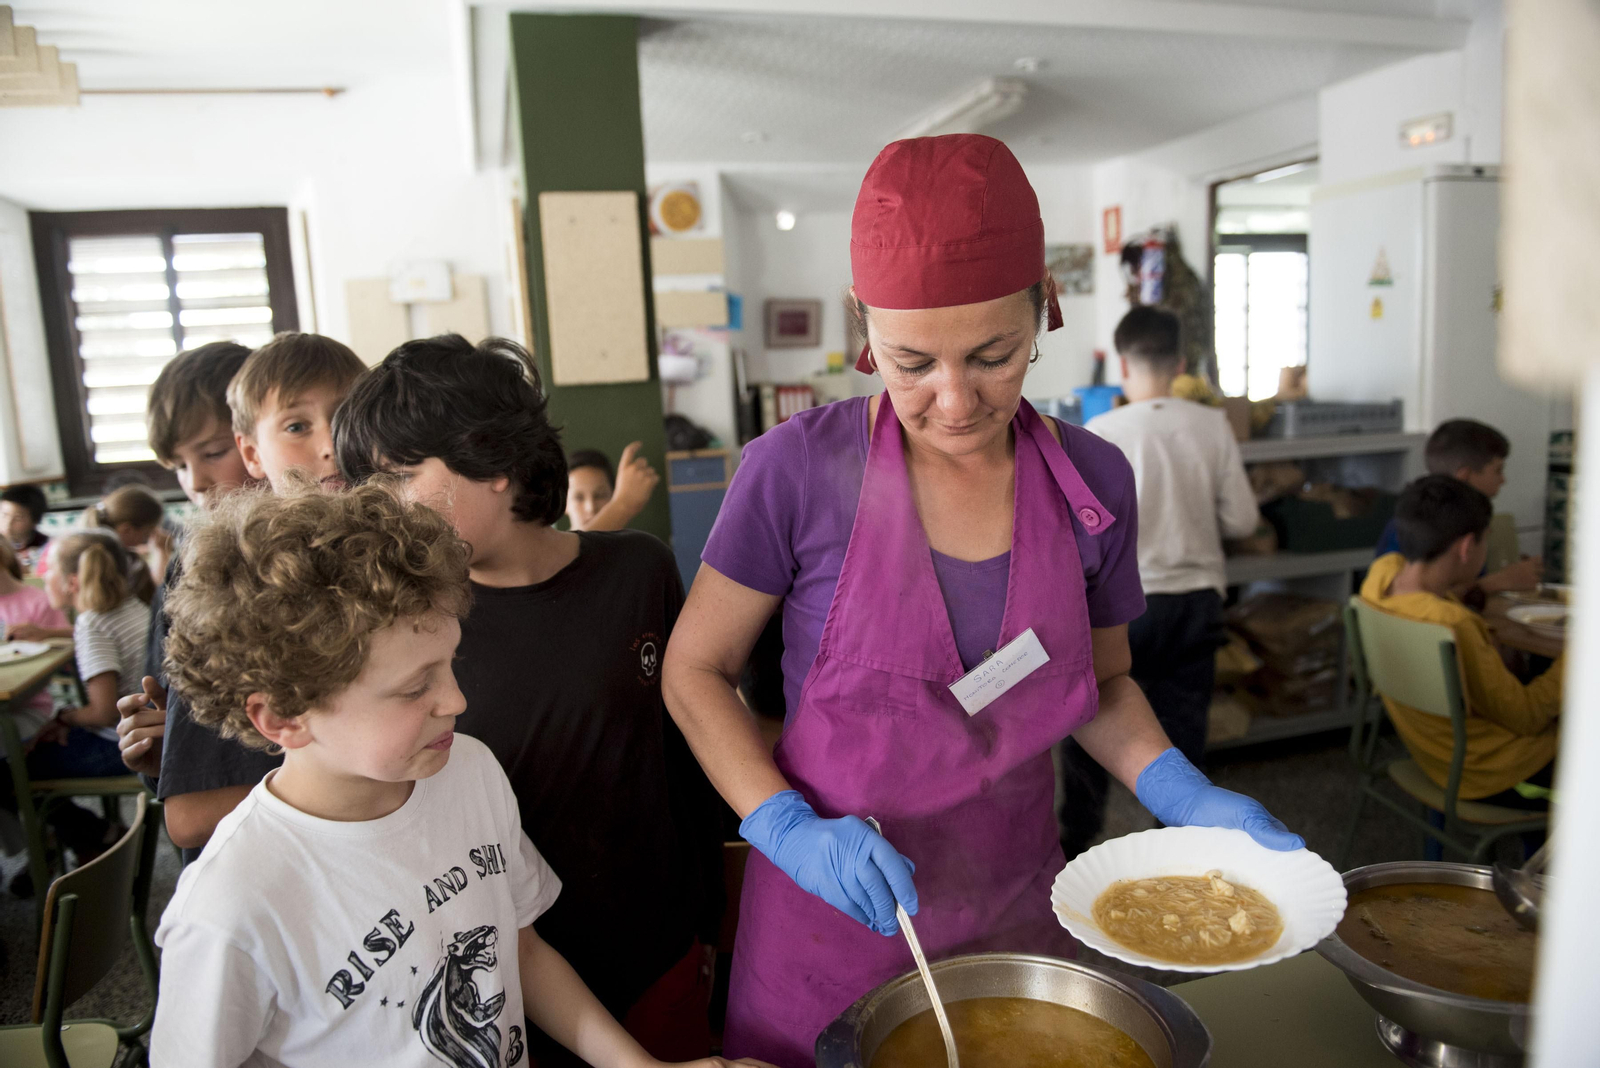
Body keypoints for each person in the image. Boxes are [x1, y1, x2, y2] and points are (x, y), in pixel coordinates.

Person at [660, 134, 1303, 1066]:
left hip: (1016, 912)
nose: (954, 400)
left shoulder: (1093, 482)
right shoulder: (793, 473)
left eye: (995, 355)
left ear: (1044, 309)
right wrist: (782, 827)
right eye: (910, 362)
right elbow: (695, 670)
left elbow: (1104, 684)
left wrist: (1179, 788)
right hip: (829, 918)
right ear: (861, 325)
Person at [149, 480, 771, 1068]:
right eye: (415, 686)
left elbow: (520, 947)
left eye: (451, 663)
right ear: (283, 716)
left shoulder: (466, 770)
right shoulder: (229, 911)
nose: (455, 700)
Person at [336, 334, 725, 1065]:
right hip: (496, 972)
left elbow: (688, 754)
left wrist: (712, 920)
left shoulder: (637, 571)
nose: (383, 509)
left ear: (491, 459)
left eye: (400, 477)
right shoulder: (408, 630)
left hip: (657, 943)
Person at [149, 331, 367, 860]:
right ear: (255, 449)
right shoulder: (219, 576)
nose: (197, 481)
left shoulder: (372, 552)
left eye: (210, 452)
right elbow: (189, 808)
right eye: (296, 425)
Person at [1056, 306, 1260, 861]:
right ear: (1181, 363)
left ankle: (1076, 840)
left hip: (1122, 608)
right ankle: (1176, 852)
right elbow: (1243, 521)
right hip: (1196, 601)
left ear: (1121, 363)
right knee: (1181, 728)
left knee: (1092, 716)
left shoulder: (1098, 432)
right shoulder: (1211, 425)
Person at [1360, 475, 1561, 805]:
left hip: (1436, 759)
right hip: (1498, 771)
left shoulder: (1380, 579)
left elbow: (1428, 595)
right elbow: (1528, 716)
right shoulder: (1453, 624)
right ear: (1467, 547)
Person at [114, 341, 255, 785]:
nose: (195, 482)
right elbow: (163, 718)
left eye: (213, 453)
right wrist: (156, 754)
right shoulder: (184, 572)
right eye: (178, 465)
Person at [1374, 419, 1541, 595]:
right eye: (1498, 470)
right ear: (1465, 477)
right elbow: (1408, 601)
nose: (1503, 480)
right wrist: (1499, 582)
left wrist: (1510, 571)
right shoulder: (1412, 525)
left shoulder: (1469, 522)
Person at [86, 482, 171, 591]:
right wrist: (162, 553)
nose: (146, 540)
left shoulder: (97, 547)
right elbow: (160, 594)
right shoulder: (116, 563)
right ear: (127, 530)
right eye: (147, 534)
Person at [566, 442, 661, 531]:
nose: (591, 508)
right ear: (563, 503)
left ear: (614, 493)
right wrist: (624, 503)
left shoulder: (636, 546)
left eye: (600, 495)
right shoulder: (553, 547)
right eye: (578, 498)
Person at [0, 484, 51, 573]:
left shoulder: (47, 548)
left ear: (35, 521)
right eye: (4, 515)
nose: (8, 523)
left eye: (18, 518)